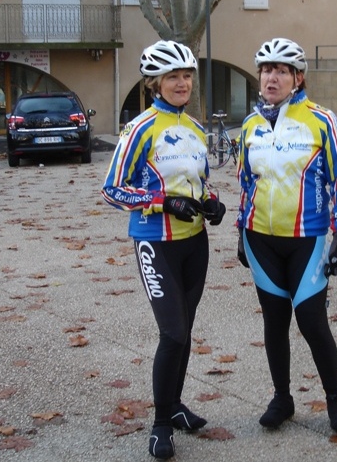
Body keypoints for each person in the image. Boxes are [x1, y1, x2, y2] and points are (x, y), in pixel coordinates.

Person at [101, 40, 226, 459]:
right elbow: (112, 189)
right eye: (173, 76)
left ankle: (174, 407)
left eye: (187, 75)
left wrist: (211, 201)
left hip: (195, 243)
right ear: (155, 82)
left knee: (185, 332)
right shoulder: (139, 129)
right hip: (156, 243)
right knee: (172, 333)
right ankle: (159, 424)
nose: (182, 83)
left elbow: (200, 179)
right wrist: (161, 202)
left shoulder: (193, 129)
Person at [236, 37, 337, 433]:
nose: (272, 77)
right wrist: (241, 230)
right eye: (266, 70)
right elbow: (246, 181)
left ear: (297, 77)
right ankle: (282, 398)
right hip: (260, 239)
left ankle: (335, 400)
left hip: (309, 237)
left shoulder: (321, 120)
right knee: (274, 321)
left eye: (281, 70)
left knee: (311, 321)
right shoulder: (250, 126)